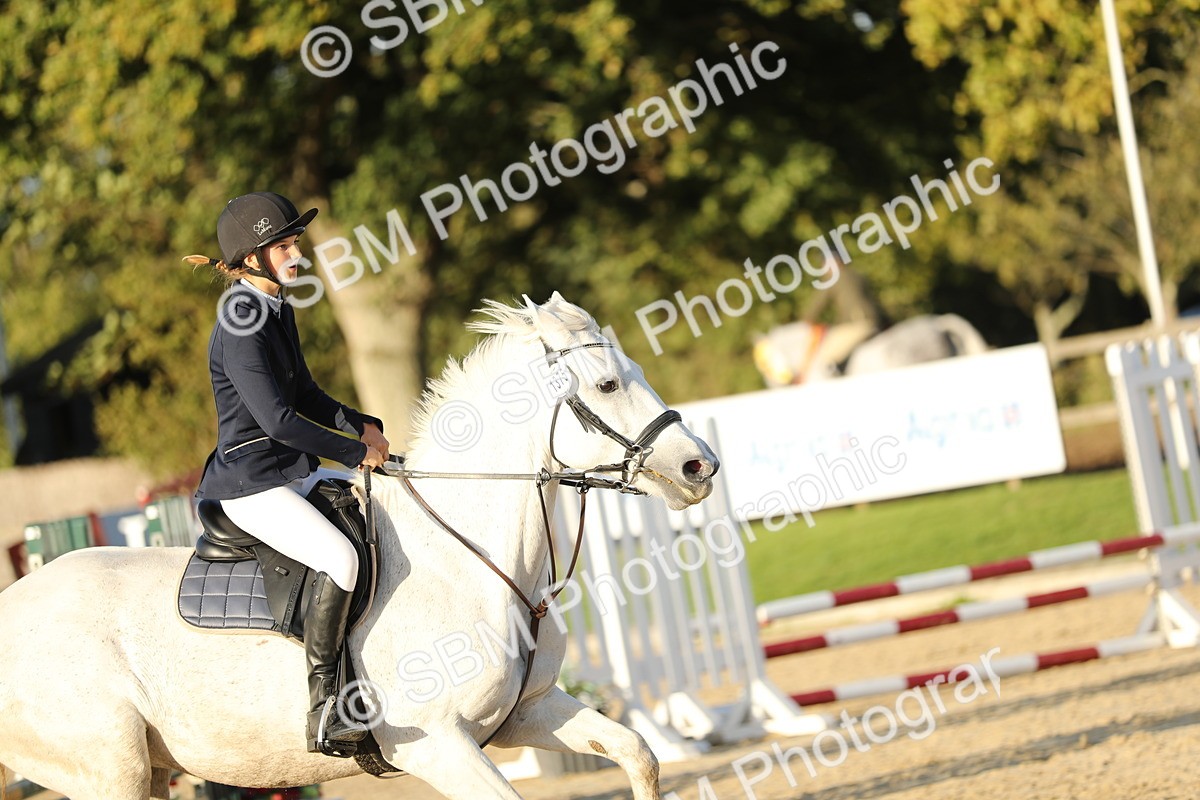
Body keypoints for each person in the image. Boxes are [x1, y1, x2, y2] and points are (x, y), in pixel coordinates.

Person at [185, 191, 389, 756]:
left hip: (285, 471)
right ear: (252, 258)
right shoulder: (240, 324)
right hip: (253, 483)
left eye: (294, 242)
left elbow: (303, 392)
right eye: (282, 245)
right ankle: (326, 708)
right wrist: (350, 453)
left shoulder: (274, 307)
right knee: (341, 557)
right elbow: (277, 420)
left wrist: (360, 423)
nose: (295, 254)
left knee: (379, 516)